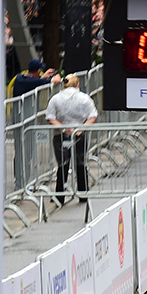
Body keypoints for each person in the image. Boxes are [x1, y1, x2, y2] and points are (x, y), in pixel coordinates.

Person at [45, 74, 98, 204]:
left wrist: (64, 128)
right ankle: (83, 192)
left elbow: (50, 117)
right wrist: (82, 128)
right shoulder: (85, 99)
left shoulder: (56, 99)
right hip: (80, 132)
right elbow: (93, 115)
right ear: (77, 84)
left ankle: (60, 196)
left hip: (61, 134)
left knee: (62, 164)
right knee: (80, 162)